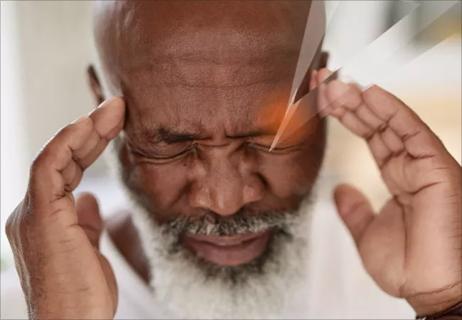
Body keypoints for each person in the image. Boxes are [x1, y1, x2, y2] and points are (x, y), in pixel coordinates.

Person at [4, 1, 461, 319]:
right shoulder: (21, 308)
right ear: (100, 101)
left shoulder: (407, 279)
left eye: (267, 140)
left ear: (324, 92)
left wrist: (445, 302)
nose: (225, 202)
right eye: (173, 145)